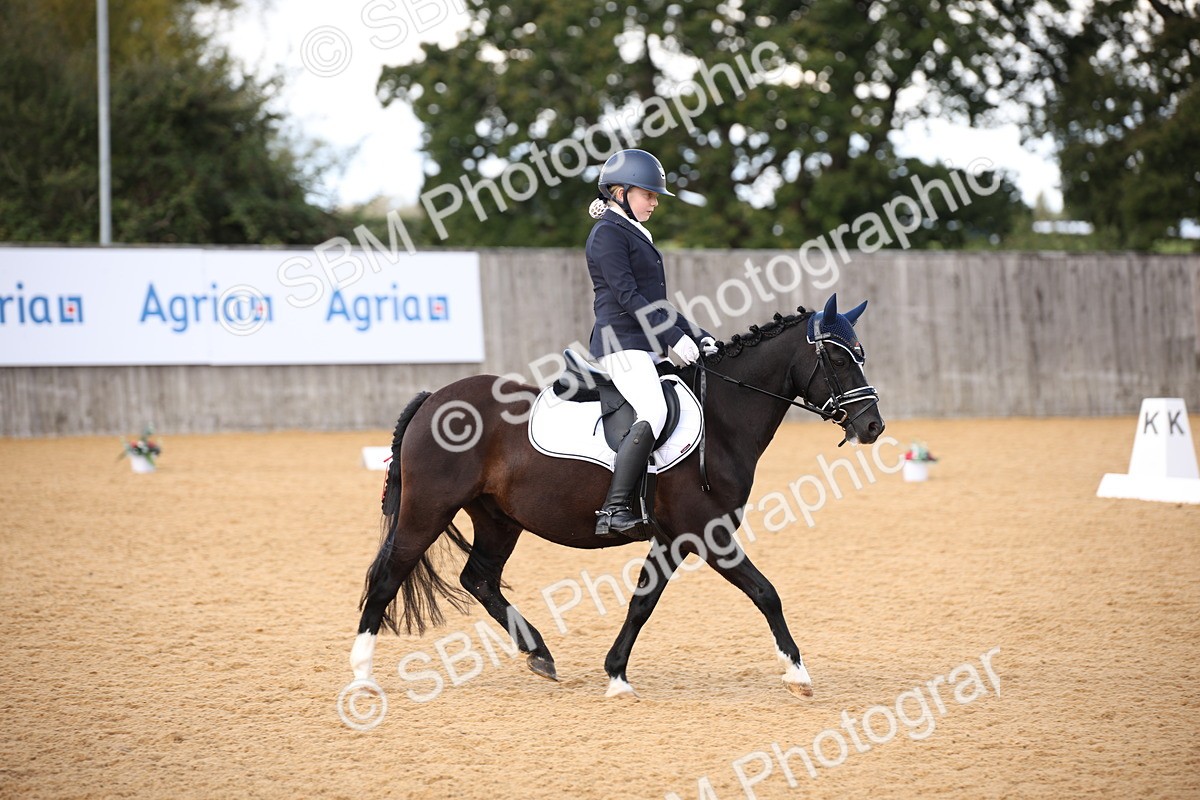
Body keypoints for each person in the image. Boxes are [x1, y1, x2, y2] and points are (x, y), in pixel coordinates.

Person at [585, 149, 717, 538]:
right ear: (621, 192)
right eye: (649, 195)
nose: (655, 202)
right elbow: (627, 296)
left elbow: (656, 304)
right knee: (654, 410)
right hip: (619, 343)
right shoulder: (607, 233)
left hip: (641, 344)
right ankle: (614, 509)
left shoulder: (633, 232)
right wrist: (672, 337)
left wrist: (697, 334)